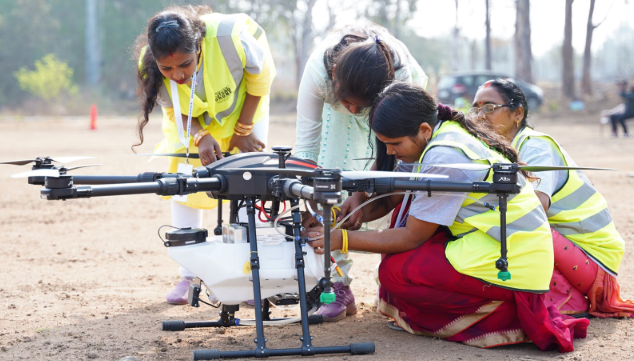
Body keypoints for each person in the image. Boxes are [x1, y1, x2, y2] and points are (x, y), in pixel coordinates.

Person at [308, 82, 589, 352]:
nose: (390, 152)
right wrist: (342, 215)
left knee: (395, 274)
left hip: (511, 258)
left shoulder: (444, 155)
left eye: (394, 144)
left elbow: (412, 236)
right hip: (501, 246)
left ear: (423, 130)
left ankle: (507, 317)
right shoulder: (439, 136)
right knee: (401, 246)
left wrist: (341, 239)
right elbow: (392, 194)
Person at [472, 79, 634, 318]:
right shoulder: (500, 150)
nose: (480, 116)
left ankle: (569, 301)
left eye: (490, 108)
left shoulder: (535, 146)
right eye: (475, 108)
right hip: (570, 249)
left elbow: (535, 209)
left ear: (517, 113)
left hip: (593, 258)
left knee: (516, 231)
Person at [134, 5, 275, 304]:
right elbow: (174, 110)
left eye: (184, 64)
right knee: (184, 183)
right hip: (192, 120)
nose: (178, 75)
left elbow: (260, 82)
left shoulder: (233, 37)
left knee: (250, 180)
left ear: (199, 45)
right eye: (167, 69)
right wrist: (200, 136)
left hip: (245, 108)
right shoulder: (149, 63)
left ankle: (253, 274)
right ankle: (189, 273)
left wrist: (244, 130)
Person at [293, 24, 427, 322]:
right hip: (334, 119)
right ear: (334, 81)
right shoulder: (318, 72)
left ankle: (393, 285)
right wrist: (313, 197)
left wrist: (361, 192)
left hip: (392, 114)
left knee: (401, 179)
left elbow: (391, 153)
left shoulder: (401, 80)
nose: (353, 110)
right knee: (328, 176)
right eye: (347, 101)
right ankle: (336, 283)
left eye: (360, 106)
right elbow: (306, 148)